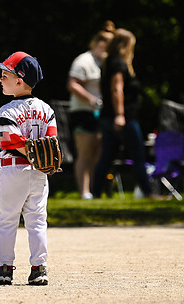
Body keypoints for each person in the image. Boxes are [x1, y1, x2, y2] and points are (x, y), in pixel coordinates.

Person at [0, 51, 56, 285]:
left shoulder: (7, 110)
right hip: (39, 172)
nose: (0, 79)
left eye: (4, 74)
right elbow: (52, 142)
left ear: (19, 80)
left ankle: (5, 268)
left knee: (7, 220)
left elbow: (11, 141)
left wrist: (28, 151)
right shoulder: (47, 110)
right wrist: (39, 157)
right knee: (37, 221)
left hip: (12, 169)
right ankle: (39, 268)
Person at [92, 29, 156, 199]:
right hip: (123, 117)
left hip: (107, 117)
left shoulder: (108, 63)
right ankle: (148, 192)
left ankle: (95, 193)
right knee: (138, 155)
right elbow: (116, 89)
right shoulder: (119, 63)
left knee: (107, 157)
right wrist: (120, 114)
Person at [67, 21, 115, 200]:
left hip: (99, 114)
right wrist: (91, 100)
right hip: (83, 113)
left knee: (98, 153)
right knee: (85, 153)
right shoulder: (83, 60)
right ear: (100, 43)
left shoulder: (103, 62)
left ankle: (94, 191)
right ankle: (83, 191)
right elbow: (72, 84)